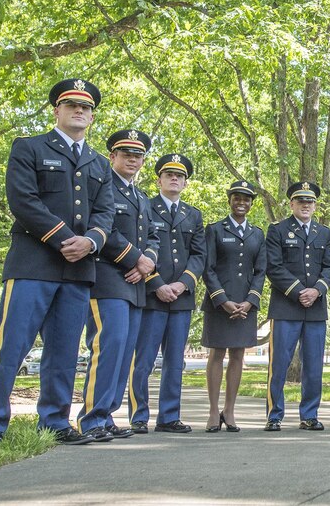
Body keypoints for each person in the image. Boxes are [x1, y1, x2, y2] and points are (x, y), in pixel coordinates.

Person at [0, 78, 113, 445]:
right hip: (33, 265)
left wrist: (91, 242)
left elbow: (106, 213)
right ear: (57, 110)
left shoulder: (100, 163)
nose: (79, 111)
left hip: (79, 270)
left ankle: (55, 422)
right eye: (72, 105)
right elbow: (23, 200)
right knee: (12, 347)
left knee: (65, 351)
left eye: (86, 108)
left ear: (92, 117)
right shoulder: (30, 147)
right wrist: (67, 239)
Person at [76, 129, 158, 442]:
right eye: (126, 154)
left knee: (124, 352)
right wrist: (135, 260)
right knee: (108, 348)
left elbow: (152, 236)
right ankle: (91, 418)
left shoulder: (140, 197)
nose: (133, 160)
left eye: (138, 156)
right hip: (108, 278)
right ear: (113, 156)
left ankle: (107, 414)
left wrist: (145, 263)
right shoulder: (102, 185)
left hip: (135, 284)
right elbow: (101, 228)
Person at [130, 153, 205, 434]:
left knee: (175, 362)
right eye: (169, 175)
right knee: (144, 360)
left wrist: (183, 283)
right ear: (159, 179)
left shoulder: (193, 215)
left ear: (185, 183)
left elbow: (199, 255)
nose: (175, 179)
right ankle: (138, 416)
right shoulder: (145, 207)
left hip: (181, 298)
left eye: (180, 176)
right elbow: (139, 247)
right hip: (151, 296)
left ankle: (169, 416)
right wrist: (157, 283)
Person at [263, 181, 330, 431]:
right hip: (285, 307)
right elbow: (273, 266)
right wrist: (298, 291)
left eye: (310, 202)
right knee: (279, 364)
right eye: (301, 201)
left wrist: (317, 290)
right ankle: (274, 415)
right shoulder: (277, 230)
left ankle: (309, 414)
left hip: (315, 308)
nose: (306, 205)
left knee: (314, 365)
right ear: (291, 204)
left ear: (315, 206)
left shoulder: (324, 233)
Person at [201, 180, 266, 433]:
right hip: (219, 303)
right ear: (229, 200)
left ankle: (229, 410)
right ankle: (212, 412)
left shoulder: (258, 234)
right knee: (216, 354)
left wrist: (250, 301)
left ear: (251, 204)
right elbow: (208, 268)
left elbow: (261, 271)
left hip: (245, 305)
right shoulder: (215, 229)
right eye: (237, 198)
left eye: (246, 199)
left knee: (238, 355)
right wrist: (223, 300)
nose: (242, 203)